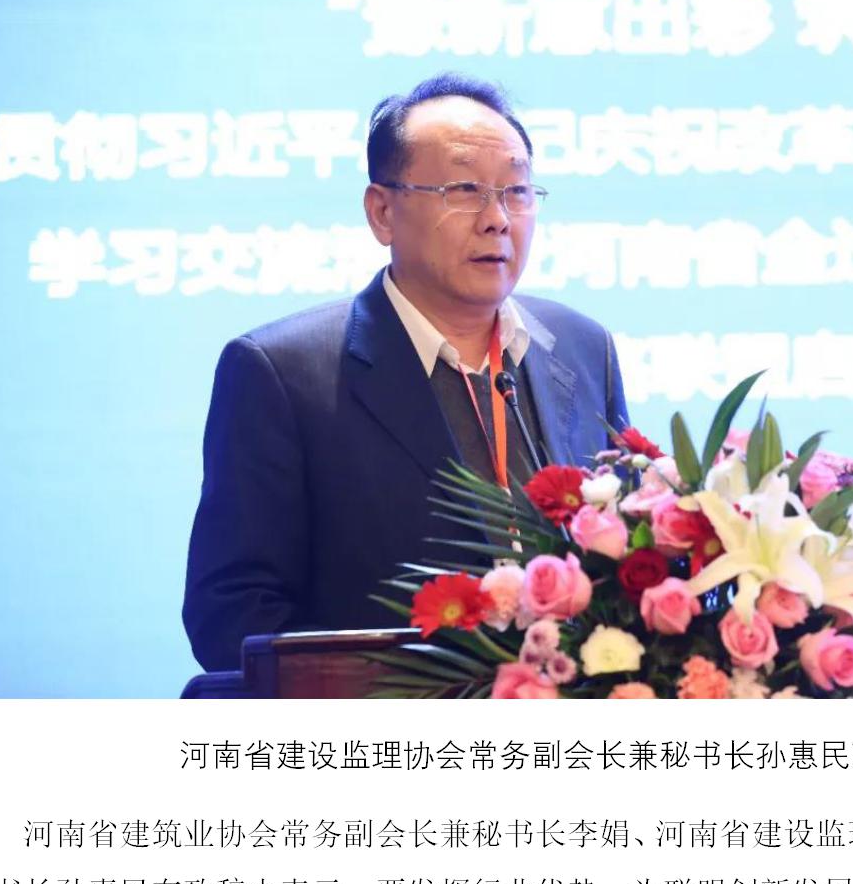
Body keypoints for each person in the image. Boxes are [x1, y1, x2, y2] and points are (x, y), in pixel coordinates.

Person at [181, 75, 629, 669]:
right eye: (464, 189)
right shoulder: (280, 375)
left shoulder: (582, 349)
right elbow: (231, 612)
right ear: (382, 212)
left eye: (517, 191)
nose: (497, 218)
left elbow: (629, 561)